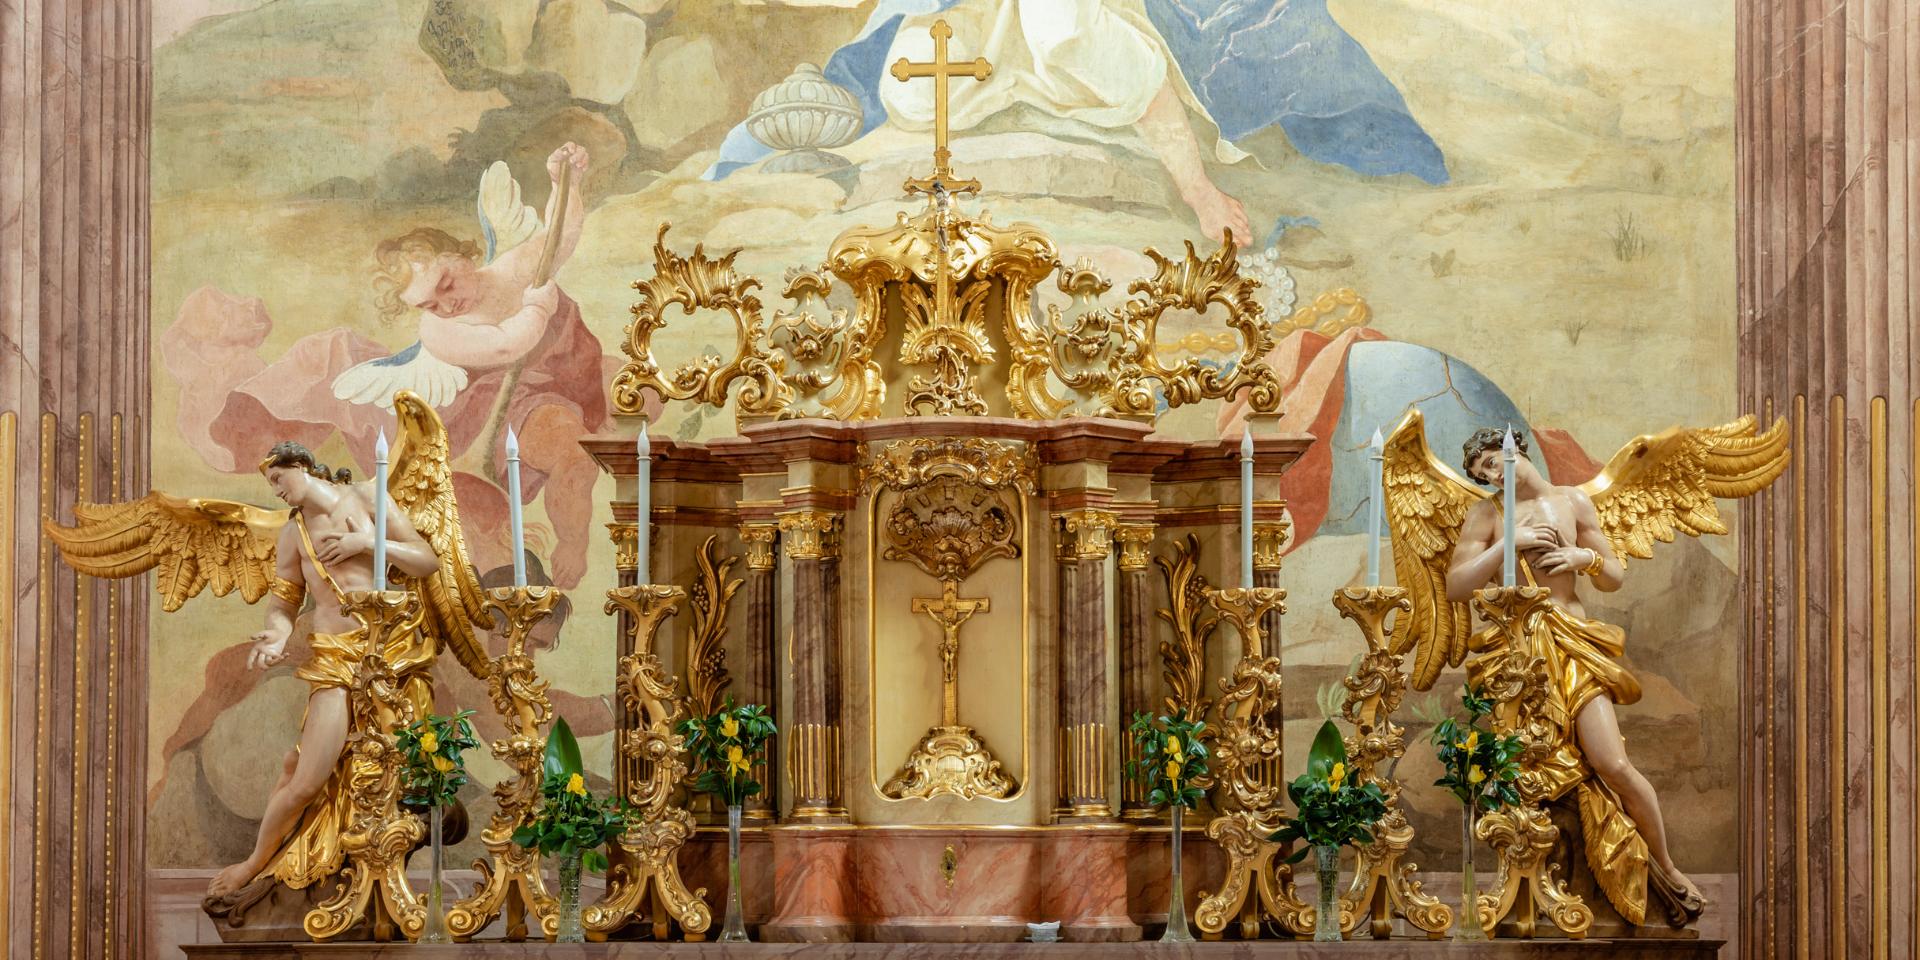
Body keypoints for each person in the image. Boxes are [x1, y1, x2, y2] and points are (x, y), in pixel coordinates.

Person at [1445, 427, 1706, 916]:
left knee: (1613, 764)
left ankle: (1668, 868)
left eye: (1494, 462)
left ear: (1515, 451)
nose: (1492, 476)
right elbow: (1457, 586)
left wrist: (1582, 557)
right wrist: (1509, 542)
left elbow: (1612, 576)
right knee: (1529, 774)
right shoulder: (1488, 515)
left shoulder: (1572, 501)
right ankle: (1538, 884)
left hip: (1572, 644)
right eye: (1482, 474)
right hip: (1519, 656)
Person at [206, 442, 441, 898]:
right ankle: (254, 863)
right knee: (305, 779)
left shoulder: (369, 497)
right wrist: (277, 636)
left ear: (302, 466)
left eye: (278, 478)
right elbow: (284, 602)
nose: (276, 490)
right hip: (335, 660)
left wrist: (367, 542)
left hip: (391, 656)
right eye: (271, 484)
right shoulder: (293, 534)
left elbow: (426, 560)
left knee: (400, 775)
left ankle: (377, 871)